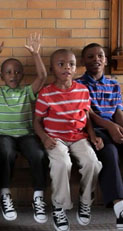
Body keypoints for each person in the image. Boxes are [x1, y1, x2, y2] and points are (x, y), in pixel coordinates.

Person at [33, 49, 103, 231]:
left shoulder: (82, 90)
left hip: (79, 137)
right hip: (55, 138)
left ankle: (86, 201)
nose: (67, 67)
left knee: (93, 163)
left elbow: (86, 117)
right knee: (62, 164)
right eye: (61, 64)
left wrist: (93, 135)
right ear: (52, 69)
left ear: (75, 67)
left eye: (71, 64)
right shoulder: (46, 93)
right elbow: (37, 121)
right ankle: (59, 207)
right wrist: (44, 137)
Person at [0, 34, 48, 223]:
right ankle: (5, 194)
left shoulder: (27, 92)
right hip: (4, 135)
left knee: (38, 155)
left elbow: (43, 76)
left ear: (22, 75)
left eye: (17, 72)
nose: (13, 75)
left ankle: (38, 197)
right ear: (2, 76)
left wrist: (36, 54)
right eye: (9, 72)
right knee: (5, 152)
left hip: (25, 135)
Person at [76, 43, 123, 229]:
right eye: (90, 57)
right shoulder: (79, 84)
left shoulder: (113, 84)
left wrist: (119, 127)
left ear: (105, 60)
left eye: (100, 56)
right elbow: (88, 114)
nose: (96, 59)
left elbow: (118, 112)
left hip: (113, 126)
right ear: (83, 62)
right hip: (93, 130)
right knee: (109, 152)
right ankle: (120, 208)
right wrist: (110, 127)